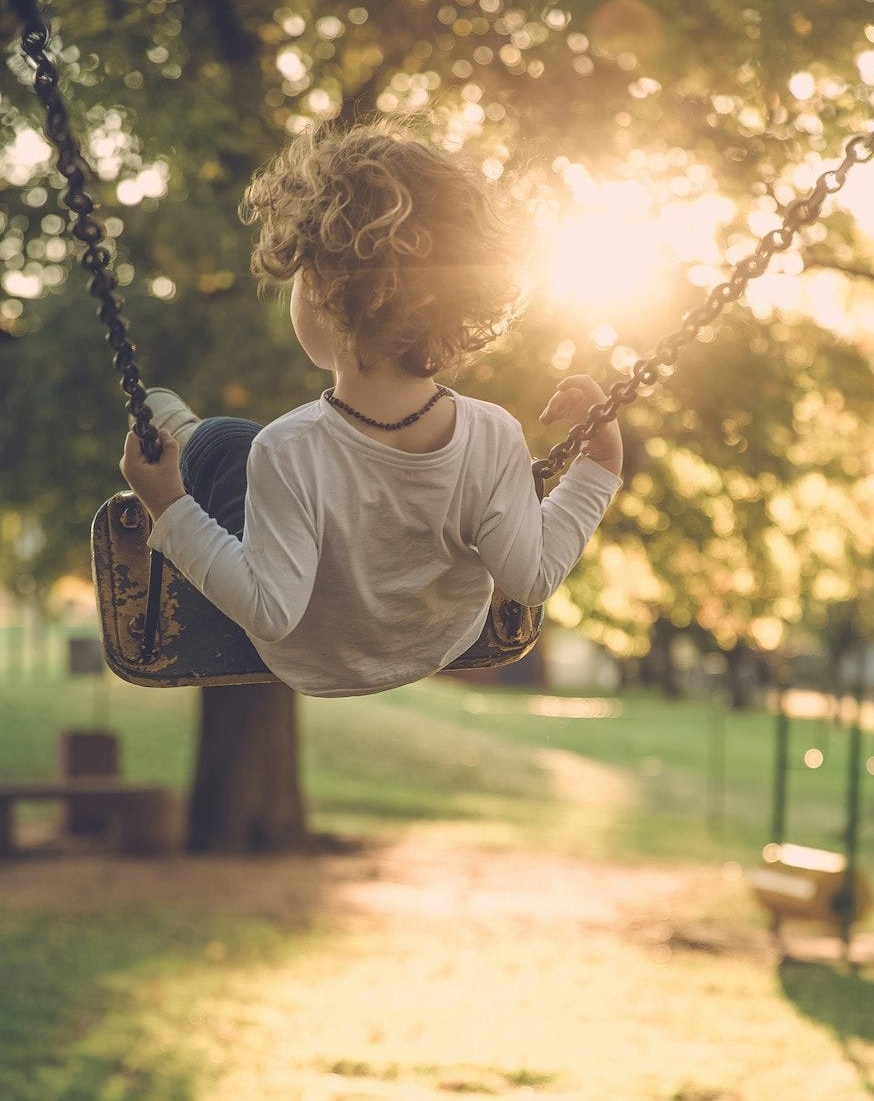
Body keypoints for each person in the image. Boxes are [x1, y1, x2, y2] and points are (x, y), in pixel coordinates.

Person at [120, 119, 622, 697]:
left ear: (327, 288)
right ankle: (185, 431)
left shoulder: (285, 450)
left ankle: (183, 435)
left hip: (313, 658)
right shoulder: (495, 435)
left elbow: (269, 611)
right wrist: (599, 468)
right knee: (244, 451)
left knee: (223, 443)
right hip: (438, 643)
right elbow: (531, 578)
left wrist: (168, 506)